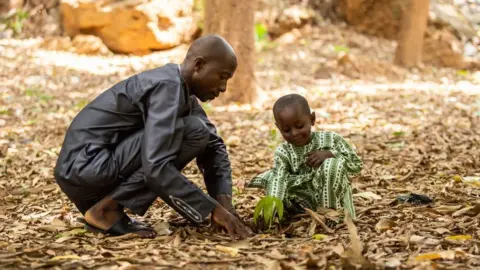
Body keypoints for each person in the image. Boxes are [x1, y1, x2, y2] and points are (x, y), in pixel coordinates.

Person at [54, 34, 252, 240]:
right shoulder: (167, 87)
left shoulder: (181, 89)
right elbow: (155, 167)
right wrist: (211, 211)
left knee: (198, 131)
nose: (223, 88)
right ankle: (106, 211)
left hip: (84, 171)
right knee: (193, 131)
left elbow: (214, 146)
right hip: (85, 166)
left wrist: (225, 205)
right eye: (222, 76)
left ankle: (105, 208)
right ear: (199, 65)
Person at [248, 94, 362, 223]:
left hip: (335, 202)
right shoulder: (284, 152)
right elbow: (278, 181)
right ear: (278, 128)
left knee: (332, 164)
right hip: (302, 206)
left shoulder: (331, 139)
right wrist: (270, 213)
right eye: (286, 130)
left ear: (312, 119)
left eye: (300, 126)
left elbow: (356, 165)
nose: (294, 133)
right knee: (272, 177)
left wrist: (330, 154)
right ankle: (281, 217)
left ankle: (332, 216)